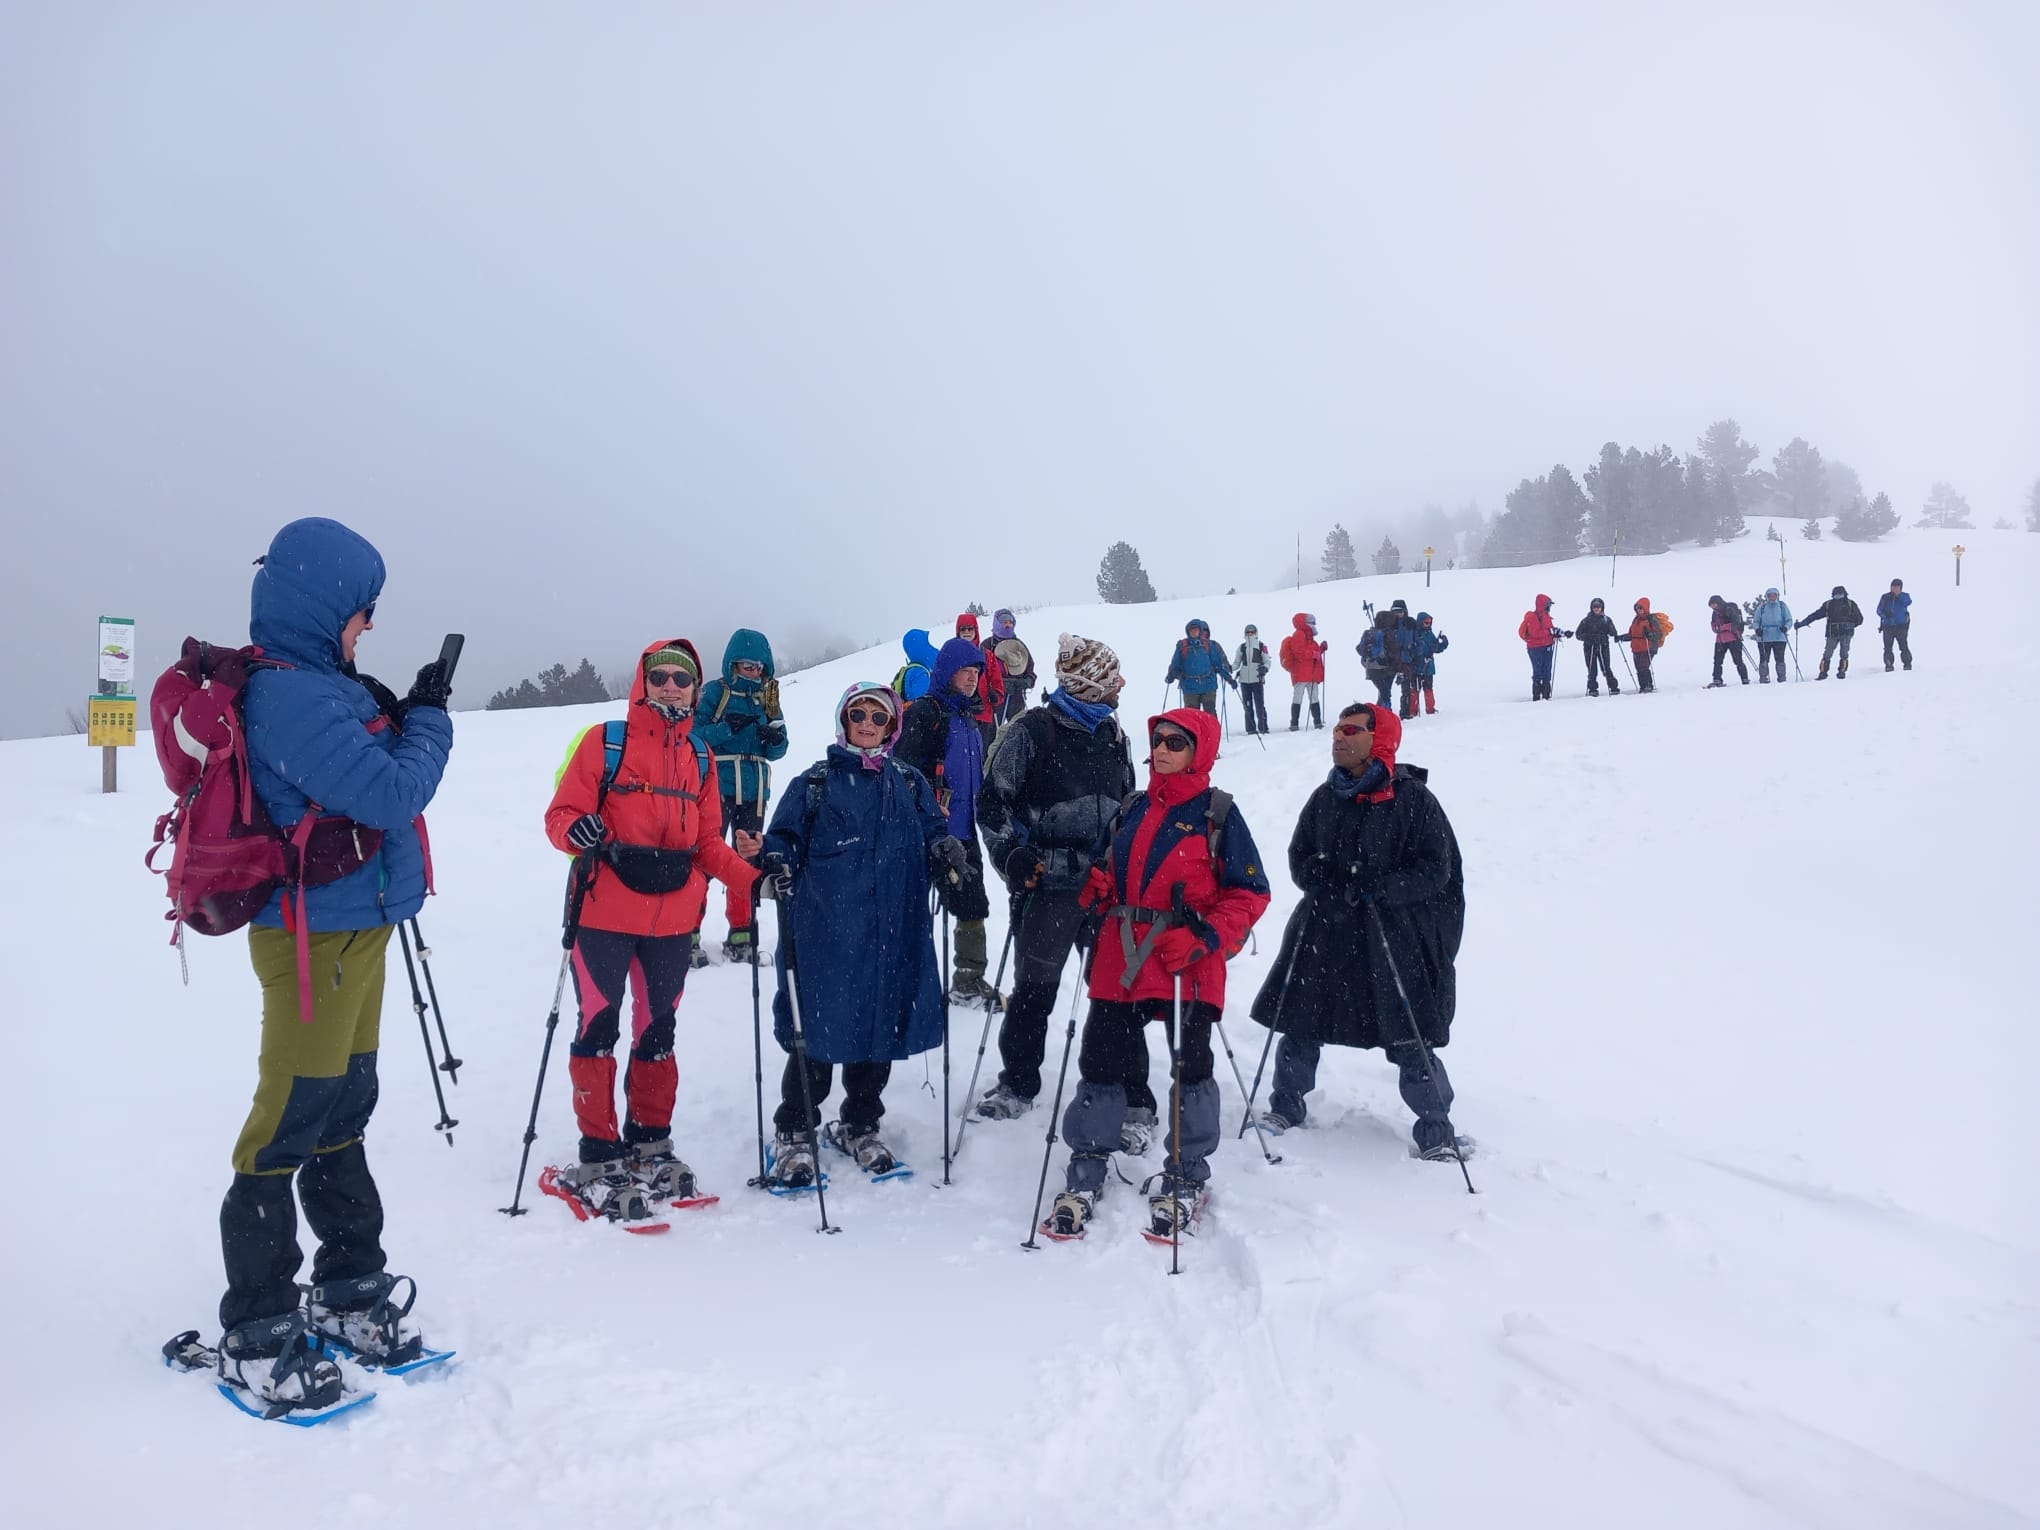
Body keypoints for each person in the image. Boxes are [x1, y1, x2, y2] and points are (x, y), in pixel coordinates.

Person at [215, 517, 454, 1412]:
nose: (369, 628)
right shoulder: (290, 698)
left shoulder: (326, 687)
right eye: (362, 612)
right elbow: (394, 791)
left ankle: (349, 1287)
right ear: (323, 608)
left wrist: (397, 711)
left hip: (361, 927)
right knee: (289, 1117)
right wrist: (428, 719)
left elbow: (374, 779)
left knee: (347, 1102)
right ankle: (258, 1323)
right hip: (311, 938)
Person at [544, 640, 762, 1220]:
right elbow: (558, 817)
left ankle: (649, 1140)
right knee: (597, 1028)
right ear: (644, 682)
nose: (670, 686)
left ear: (694, 690)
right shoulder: (605, 743)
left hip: (671, 922)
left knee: (657, 1031)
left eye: (681, 680)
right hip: (603, 917)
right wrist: (578, 829)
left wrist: (755, 883)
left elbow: (709, 845)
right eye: (660, 676)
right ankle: (597, 1153)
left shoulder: (701, 756)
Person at [1045, 707, 1270, 1237]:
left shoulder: (1218, 815)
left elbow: (1250, 892)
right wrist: (1096, 886)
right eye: (1159, 739)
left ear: (1201, 751)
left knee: (1189, 1067)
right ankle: (1087, 1165)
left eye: (1177, 741)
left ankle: (1188, 1173)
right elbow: (1104, 869)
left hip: (1183, 961)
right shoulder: (1132, 807)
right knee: (1101, 1062)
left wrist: (1204, 936)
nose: (1163, 748)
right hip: (1121, 957)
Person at [758, 683, 963, 1184]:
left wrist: (944, 850)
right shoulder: (816, 783)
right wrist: (776, 860)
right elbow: (783, 837)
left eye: (879, 717)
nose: (868, 724)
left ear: (893, 726)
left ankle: (860, 1121)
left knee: (880, 1028)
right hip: (826, 932)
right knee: (818, 1031)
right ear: (844, 720)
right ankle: (795, 1130)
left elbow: (934, 830)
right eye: (858, 714)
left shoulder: (910, 783)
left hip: (893, 930)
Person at [1251, 702, 1467, 1161]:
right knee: (1302, 1019)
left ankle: (1436, 1127)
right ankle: (1285, 1106)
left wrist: (1384, 887)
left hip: (1393, 938)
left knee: (1410, 1034)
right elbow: (1299, 856)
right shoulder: (1324, 797)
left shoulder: (1413, 799)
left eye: (1351, 730)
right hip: (1325, 928)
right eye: (1336, 730)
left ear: (1379, 739)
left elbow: (1438, 869)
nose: (1339, 738)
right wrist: (1324, 879)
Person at [974, 634, 1138, 1122]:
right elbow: (993, 803)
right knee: (1034, 989)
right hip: (1047, 885)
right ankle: (1018, 1082)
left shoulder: (1113, 734)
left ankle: (1121, 1085)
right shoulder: (1030, 732)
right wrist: (1013, 857)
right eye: (1111, 679)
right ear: (1089, 685)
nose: (1119, 686)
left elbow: (1127, 801)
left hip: (1106, 886)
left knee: (1113, 993)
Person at [894, 637, 1001, 1006]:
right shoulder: (924, 713)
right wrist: (923, 809)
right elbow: (903, 771)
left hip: (964, 831)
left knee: (973, 902)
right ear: (947, 671)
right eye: (965, 671)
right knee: (911, 907)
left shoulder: (969, 715)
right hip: (925, 832)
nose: (972, 679)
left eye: (976, 672)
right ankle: (904, 980)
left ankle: (969, 980)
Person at [692, 629, 789, 964]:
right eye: (747, 665)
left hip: (754, 791)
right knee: (704, 859)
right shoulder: (716, 693)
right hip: (715, 789)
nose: (753, 671)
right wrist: (726, 730)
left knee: (745, 862)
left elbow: (781, 748)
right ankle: (688, 934)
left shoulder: (769, 697)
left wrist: (771, 737)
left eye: (759, 666)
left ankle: (742, 934)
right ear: (732, 663)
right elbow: (692, 736)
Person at [1164, 617, 1235, 716]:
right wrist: (1171, 675)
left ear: (1200, 631)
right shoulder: (1182, 646)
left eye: (1196, 630)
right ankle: (1196, 732)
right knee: (1192, 716)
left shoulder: (1209, 645)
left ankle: (1211, 732)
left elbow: (1218, 665)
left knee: (1209, 713)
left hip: (1208, 685)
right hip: (1190, 687)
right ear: (1188, 632)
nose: (1194, 632)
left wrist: (1229, 679)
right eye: (1192, 630)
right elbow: (1176, 663)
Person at [953, 612, 1008, 738]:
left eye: (970, 628)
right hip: (957, 713)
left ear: (976, 630)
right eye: (963, 629)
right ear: (958, 631)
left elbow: (997, 682)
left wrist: (996, 695)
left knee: (982, 753)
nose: (967, 632)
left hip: (982, 714)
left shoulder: (986, 655)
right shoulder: (952, 654)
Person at [1795, 586, 1864, 679]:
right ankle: (1824, 672)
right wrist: (1803, 623)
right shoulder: (1829, 605)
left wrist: (1850, 625)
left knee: (1843, 653)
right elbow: (1815, 615)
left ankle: (1840, 672)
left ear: (1844, 594)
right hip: (1833, 633)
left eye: (1840, 595)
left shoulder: (1850, 604)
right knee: (1829, 653)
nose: (1838, 597)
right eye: (1836, 595)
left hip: (1843, 633)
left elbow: (1859, 619)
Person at [1280, 612, 1329, 730]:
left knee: (1302, 697)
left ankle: (1296, 723)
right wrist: (1314, 653)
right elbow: (1299, 653)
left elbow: (1308, 653)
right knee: (1308, 697)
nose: (1313, 624)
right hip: (1303, 672)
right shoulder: (1300, 634)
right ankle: (1309, 722)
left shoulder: (1307, 636)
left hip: (1306, 673)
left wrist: (1320, 649)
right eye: (1310, 622)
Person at [989, 608, 1037, 722]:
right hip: (994, 701)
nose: (1008, 625)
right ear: (997, 623)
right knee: (992, 736)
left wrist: (1028, 681)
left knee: (1016, 732)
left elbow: (1030, 668)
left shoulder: (1019, 645)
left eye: (1010, 622)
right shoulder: (987, 646)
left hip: (1017, 699)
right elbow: (981, 674)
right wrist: (1000, 684)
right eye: (1005, 622)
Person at [1518, 594, 1567, 701]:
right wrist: (1550, 631)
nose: (1550, 607)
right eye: (1548, 605)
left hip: (1547, 646)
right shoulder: (1532, 617)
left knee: (1546, 671)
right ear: (1543, 605)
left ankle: (1545, 695)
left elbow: (1550, 629)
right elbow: (1535, 633)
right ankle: (1537, 696)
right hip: (1535, 648)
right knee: (1538, 671)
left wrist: (1560, 632)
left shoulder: (1546, 616)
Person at [1574, 598, 1622, 696]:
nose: (1596, 609)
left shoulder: (1606, 619)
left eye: (1598, 607)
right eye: (1594, 607)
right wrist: (1588, 637)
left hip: (1603, 646)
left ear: (1602, 608)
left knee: (1606, 667)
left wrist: (1611, 630)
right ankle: (1592, 689)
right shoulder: (1586, 621)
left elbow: (1613, 633)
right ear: (1591, 608)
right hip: (1590, 647)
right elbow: (1578, 634)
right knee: (1592, 669)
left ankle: (1613, 687)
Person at [1233, 624, 1273, 734]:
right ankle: (1250, 729)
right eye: (1248, 632)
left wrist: (1265, 668)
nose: (1250, 634)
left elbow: (1267, 661)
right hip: (1244, 680)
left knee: (1259, 704)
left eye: (1252, 632)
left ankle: (1263, 728)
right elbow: (1236, 663)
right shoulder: (1242, 647)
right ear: (1245, 634)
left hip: (1257, 679)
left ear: (1256, 633)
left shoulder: (1261, 646)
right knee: (1247, 705)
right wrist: (1228, 668)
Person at [1706, 596, 1751, 687]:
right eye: (1711, 605)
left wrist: (1721, 628)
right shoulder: (1715, 613)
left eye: (1713, 604)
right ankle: (1717, 679)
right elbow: (1713, 623)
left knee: (1737, 660)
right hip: (1721, 639)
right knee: (1718, 661)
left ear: (1718, 602)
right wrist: (1714, 628)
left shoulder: (1729, 609)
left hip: (1732, 638)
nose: (1713, 607)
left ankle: (1744, 678)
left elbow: (1735, 623)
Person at [1751, 587, 1794, 683]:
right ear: (1766, 597)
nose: (1772, 597)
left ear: (1778, 596)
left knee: (1780, 658)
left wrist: (1786, 627)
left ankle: (1782, 677)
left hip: (1779, 637)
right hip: (1764, 637)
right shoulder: (1762, 607)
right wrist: (1757, 629)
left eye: (1774, 595)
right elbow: (1756, 621)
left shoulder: (1782, 606)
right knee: (1764, 658)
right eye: (1770, 595)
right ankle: (1763, 677)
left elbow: (1789, 620)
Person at [1627, 598, 1669, 693]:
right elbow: (1632, 634)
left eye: (1641, 608)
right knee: (1638, 667)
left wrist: (1650, 634)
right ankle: (1643, 686)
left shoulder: (1651, 619)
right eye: (1637, 608)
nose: (1639, 610)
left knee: (1643, 666)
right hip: (1636, 648)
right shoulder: (1636, 620)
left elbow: (1658, 634)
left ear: (1646, 608)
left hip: (1648, 647)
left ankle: (1648, 685)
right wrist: (1622, 637)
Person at [1358, 609, 1397, 711]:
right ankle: (1386, 714)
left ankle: (1379, 713)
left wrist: (1371, 655)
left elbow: (1358, 648)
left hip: (1371, 669)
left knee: (1383, 693)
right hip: (1385, 668)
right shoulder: (1388, 634)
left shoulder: (1370, 633)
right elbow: (1394, 652)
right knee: (1385, 694)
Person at [1412, 612, 1449, 713]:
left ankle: (1430, 709)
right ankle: (1413, 710)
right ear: (1420, 622)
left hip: (1429, 668)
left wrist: (1444, 643)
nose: (1428, 624)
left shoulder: (1429, 633)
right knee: (1415, 689)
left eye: (1429, 622)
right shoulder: (1415, 633)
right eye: (1426, 622)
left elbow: (1436, 648)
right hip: (1417, 667)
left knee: (1428, 688)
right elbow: (1415, 650)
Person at [1876, 579, 1913, 671]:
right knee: (1888, 647)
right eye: (1893, 587)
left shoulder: (1905, 596)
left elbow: (1908, 602)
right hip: (1888, 626)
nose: (1895, 589)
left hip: (1901, 626)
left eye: (1897, 587)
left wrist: (1898, 596)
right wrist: (1885, 614)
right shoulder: (1885, 597)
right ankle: (1889, 665)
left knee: (1903, 646)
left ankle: (1907, 664)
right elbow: (1878, 610)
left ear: (1901, 588)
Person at [892, 628, 939, 701]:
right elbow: (924, 705)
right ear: (921, 647)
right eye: (927, 643)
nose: (930, 647)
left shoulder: (911, 669)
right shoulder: (920, 673)